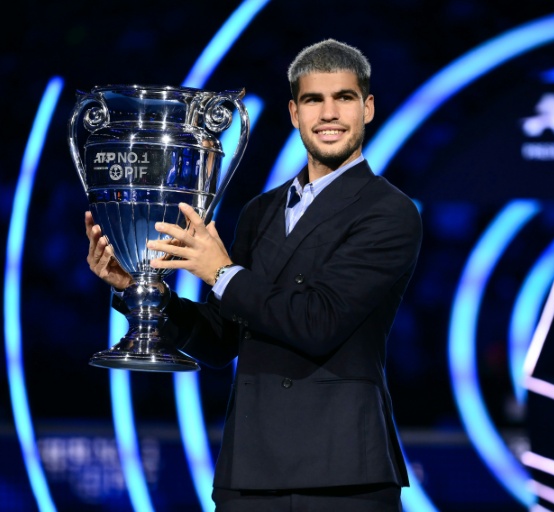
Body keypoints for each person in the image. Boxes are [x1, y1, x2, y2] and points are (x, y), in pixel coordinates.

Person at [85, 38, 422, 511]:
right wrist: (142, 291)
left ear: (367, 108)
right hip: (249, 472)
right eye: (313, 100)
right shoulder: (259, 212)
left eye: (343, 98)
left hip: (343, 472)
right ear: (294, 113)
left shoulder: (389, 212)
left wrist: (221, 272)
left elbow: (319, 322)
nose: (328, 114)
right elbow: (222, 342)